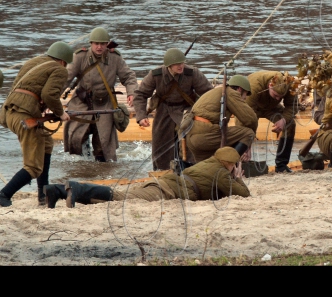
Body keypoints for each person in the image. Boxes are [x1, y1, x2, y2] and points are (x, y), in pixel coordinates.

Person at [44, 145, 250, 208]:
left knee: (120, 194)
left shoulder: (209, 163)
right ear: (230, 164)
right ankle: (76, 188)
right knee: (119, 197)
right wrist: (238, 177)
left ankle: (58, 190)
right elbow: (244, 194)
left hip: (163, 183)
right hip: (166, 190)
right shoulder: (222, 173)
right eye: (234, 165)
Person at [0, 42, 73, 207]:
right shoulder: (59, 69)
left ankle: (43, 194)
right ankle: (4, 194)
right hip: (25, 116)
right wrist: (61, 113)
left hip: (9, 113)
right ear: (63, 61)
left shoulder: (33, 62)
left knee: (46, 144)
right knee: (33, 166)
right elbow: (49, 95)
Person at [63, 27, 138, 162]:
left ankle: (101, 169)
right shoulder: (80, 57)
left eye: (102, 44)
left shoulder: (115, 58)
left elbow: (129, 77)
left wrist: (131, 93)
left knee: (104, 144)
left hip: (105, 103)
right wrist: (50, 98)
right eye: (96, 43)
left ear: (107, 44)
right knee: (76, 138)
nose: (99, 47)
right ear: (91, 43)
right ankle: (81, 164)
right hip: (82, 101)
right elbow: (65, 78)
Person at [133, 48, 213, 170]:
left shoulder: (192, 73)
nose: (181, 66)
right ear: (169, 65)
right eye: (177, 64)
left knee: (191, 140)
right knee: (160, 145)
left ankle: (191, 169)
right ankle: (162, 172)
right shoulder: (156, 75)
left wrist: (208, 115)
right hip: (164, 110)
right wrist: (141, 116)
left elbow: (209, 93)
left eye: (182, 63)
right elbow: (140, 94)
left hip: (187, 109)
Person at [183, 75, 257, 164]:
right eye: (245, 94)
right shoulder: (230, 93)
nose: (245, 98)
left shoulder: (214, 92)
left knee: (206, 167)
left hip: (191, 137)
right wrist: (248, 145)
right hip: (205, 134)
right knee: (248, 133)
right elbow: (250, 119)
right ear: (240, 89)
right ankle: (229, 165)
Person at [246, 71, 297, 174]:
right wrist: (247, 145)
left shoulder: (289, 84)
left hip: (270, 107)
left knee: (290, 124)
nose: (278, 98)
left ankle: (281, 165)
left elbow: (293, 106)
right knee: (245, 129)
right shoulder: (255, 86)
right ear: (270, 86)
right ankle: (242, 162)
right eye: (276, 95)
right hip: (251, 107)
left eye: (280, 97)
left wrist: (283, 120)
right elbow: (245, 118)